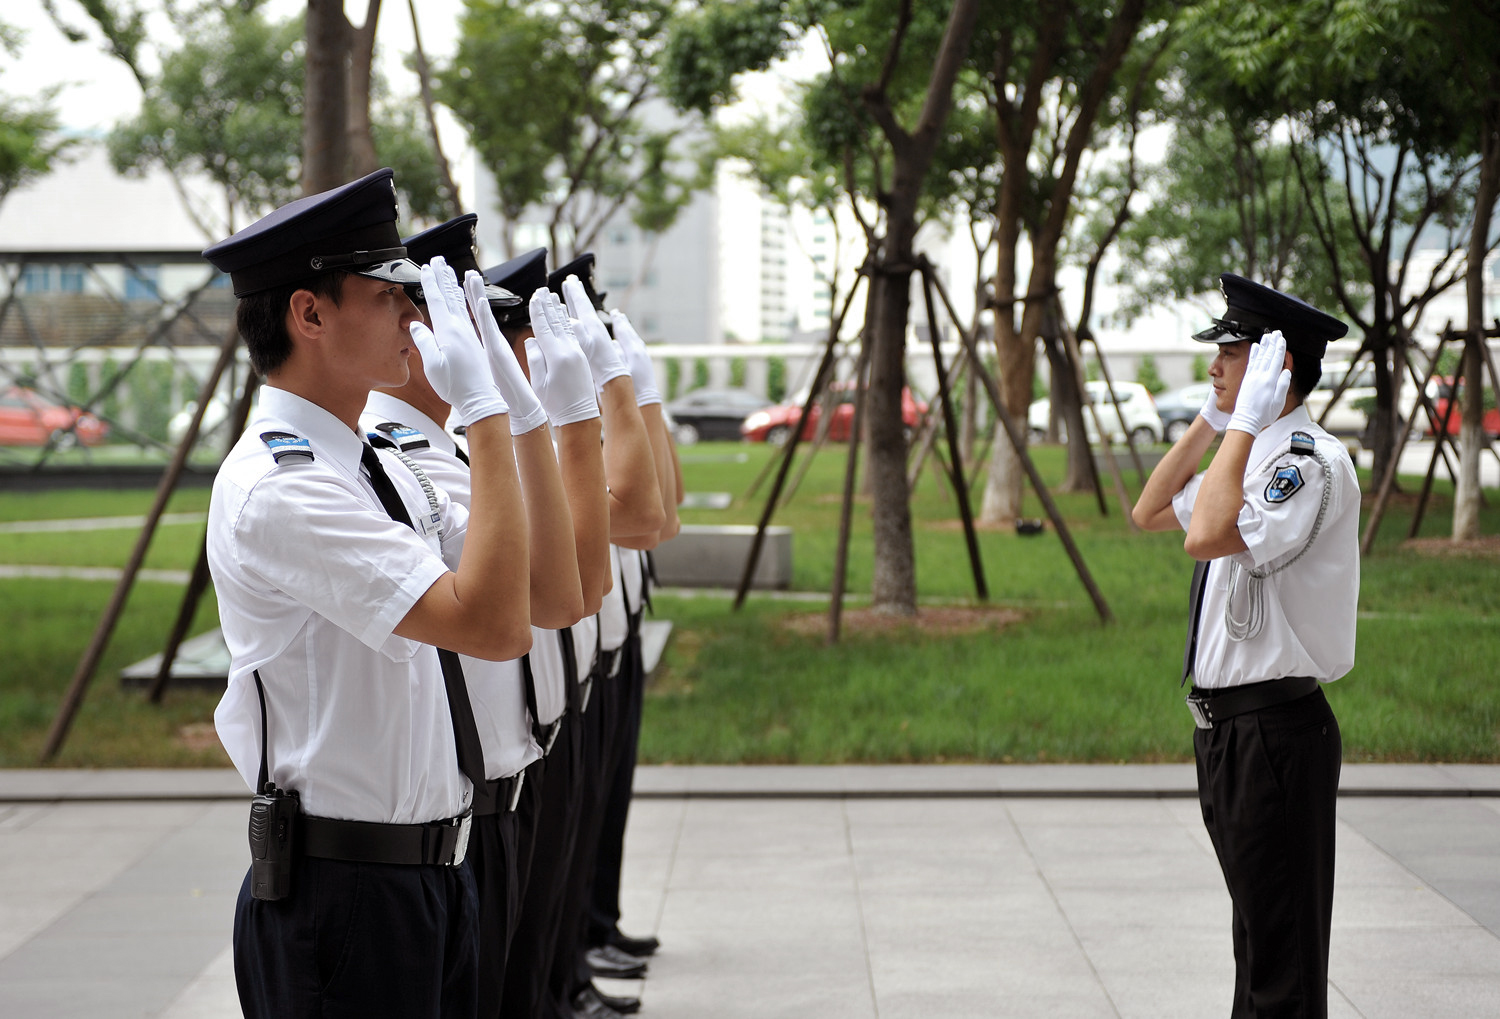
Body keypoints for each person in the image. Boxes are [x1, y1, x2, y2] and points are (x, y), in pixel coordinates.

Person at [202, 168, 532, 1018]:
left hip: (428, 877)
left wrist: (532, 413)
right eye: (389, 294)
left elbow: (543, 596)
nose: (413, 318)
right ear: (309, 314)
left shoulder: (368, 463)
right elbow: (492, 627)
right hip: (344, 897)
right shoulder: (285, 487)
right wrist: (487, 412)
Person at [361, 212, 593, 1018]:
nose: (498, 340)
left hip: (505, 772)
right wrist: (524, 418)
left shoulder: (456, 453)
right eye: (477, 322)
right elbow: (555, 598)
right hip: (451, 806)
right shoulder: (402, 465)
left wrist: (534, 414)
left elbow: (569, 593)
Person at [1132, 273, 1358, 1018]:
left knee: (1282, 964)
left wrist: (1241, 426)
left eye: (1231, 352)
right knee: (1258, 947)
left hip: (1277, 732)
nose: (1215, 365)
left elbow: (1202, 536)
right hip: (1230, 732)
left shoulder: (1304, 461)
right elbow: (1150, 509)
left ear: (1275, 365)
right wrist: (1212, 418)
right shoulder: (1252, 454)